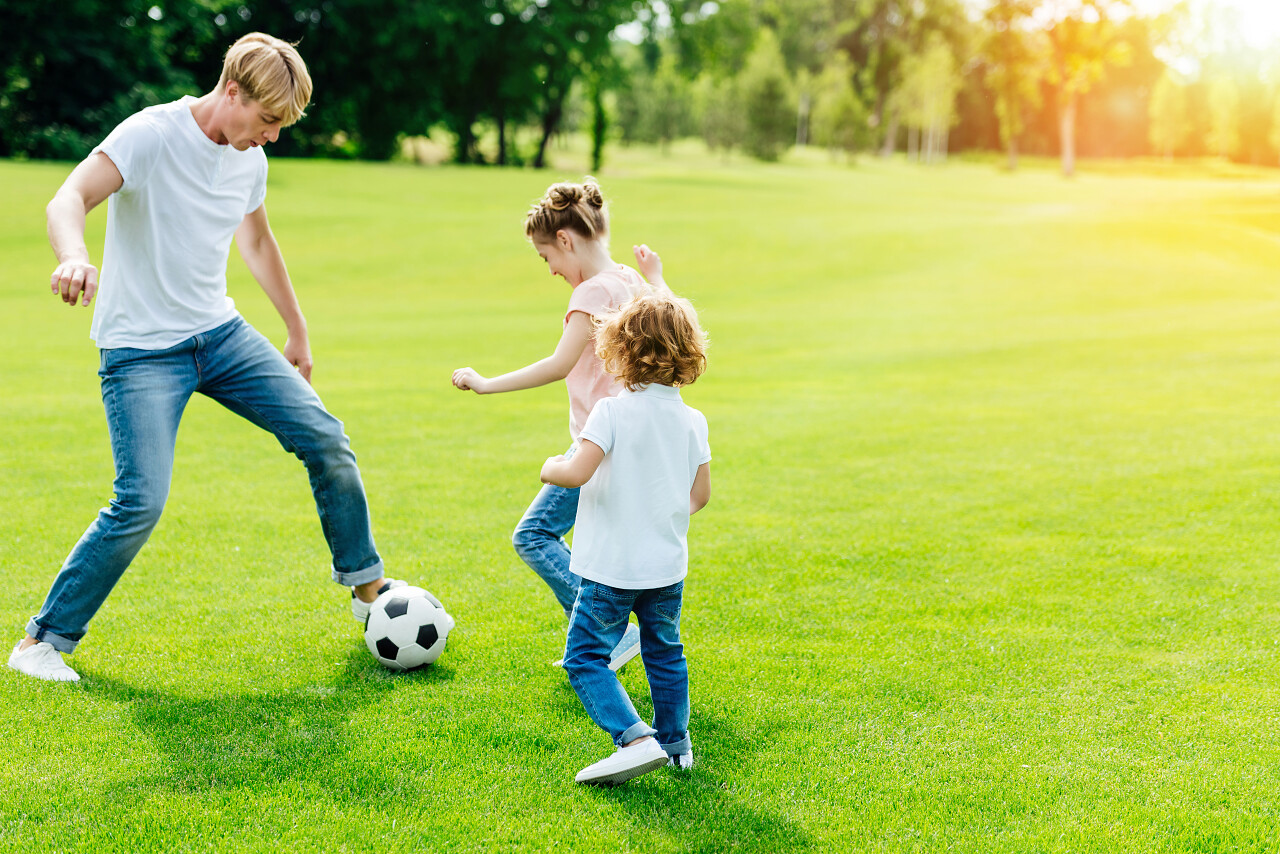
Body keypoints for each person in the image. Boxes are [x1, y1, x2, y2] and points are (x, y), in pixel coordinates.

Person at [8, 33, 402, 684]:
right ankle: (40, 643)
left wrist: (296, 326)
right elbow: (67, 198)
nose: (273, 136)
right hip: (140, 350)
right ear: (232, 91)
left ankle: (369, 594)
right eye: (270, 120)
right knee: (141, 500)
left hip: (218, 335)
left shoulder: (250, 160)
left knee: (326, 438)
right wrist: (73, 256)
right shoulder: (150, 134)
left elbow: (257, 240)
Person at [452, 178, 669, 671]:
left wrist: (486, 384)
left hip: (600, 444)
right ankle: (613, 636)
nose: (550, 269)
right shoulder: (629, 282)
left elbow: (558, 364)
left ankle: (609, 635)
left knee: (532, 535)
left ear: (567, 240)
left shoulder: (592, 294)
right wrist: (656, 276)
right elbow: (671, 314)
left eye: (547, 256)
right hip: (630, 439)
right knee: (597, 548)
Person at [539, 292, 710, 786]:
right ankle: (677, 745)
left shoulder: (611, 413)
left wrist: (550, 466)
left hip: (610, 570)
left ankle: (635, 739)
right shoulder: (693, 421)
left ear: (621, 351)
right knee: (664, 651)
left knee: (584, 657)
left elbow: (575, 473)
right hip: (666, 568)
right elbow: (698, 495)